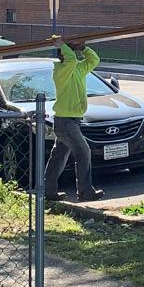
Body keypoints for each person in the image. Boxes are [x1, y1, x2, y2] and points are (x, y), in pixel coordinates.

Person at [45, 40, 103, 202]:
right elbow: (70, 59)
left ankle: (48, 191)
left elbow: (94, 60)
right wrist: (61, 44)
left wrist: (83, 48)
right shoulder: (60, 71)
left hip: (72, 120)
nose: (74, 56)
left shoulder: (78, 69)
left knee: (59, 156)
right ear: (63, 56)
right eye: (70, 53)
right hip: (65, 121)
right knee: (84, 152)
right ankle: (85, 192)